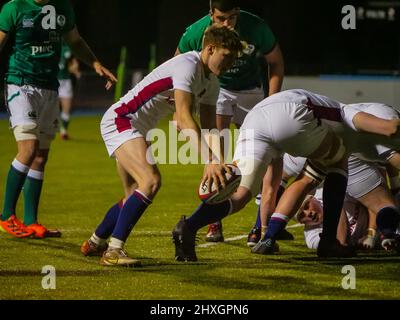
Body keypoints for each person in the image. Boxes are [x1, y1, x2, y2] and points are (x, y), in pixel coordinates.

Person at [80, 25, 244, 267]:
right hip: (122, 119)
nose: (229, 64)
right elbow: (184, 117)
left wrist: (218, 162)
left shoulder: (212, 83)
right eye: (227, 57)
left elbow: (210, 128)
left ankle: (95, 241)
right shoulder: (187, 65)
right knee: (151, 181)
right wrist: (209, 161)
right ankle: (114, 251)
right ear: (210, 48)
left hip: (138, 128)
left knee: (133, 194)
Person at [172, 89, 400, 261]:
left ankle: (189, 226)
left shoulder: (334, 112)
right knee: (337, 159)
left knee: (241, 194)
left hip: (256, 119)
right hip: (293, 115)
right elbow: (388, 128)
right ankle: (329, 242)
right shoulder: (346, 110)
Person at [0, 0, 116, 238]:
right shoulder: (15, 8)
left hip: (50, 88)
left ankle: (31, 220)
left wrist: (95, 64)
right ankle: (6, 216)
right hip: (21, 84)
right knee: (29, 149)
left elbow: (75, 41)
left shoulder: (63, 7)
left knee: (41, 157)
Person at [176, 0, 285, 242]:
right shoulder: (196, 32)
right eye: (221, 19)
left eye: (232, 18)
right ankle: (213, 222)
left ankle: (262, 226)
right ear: (210, 14)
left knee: (272, 154)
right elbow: (177, 65)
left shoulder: (256, 27)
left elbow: (276, 62)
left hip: (251, 91)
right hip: (218, 89)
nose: (228, 24)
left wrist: (272, 102)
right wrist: (185, 103)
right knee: (217, 158)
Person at [58, 41, 81, 140]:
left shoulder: (67, 48)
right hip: (53, 81)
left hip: (65, 82)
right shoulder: (49, 46)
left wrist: (75, 70)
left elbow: (73, 64)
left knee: (66, 108)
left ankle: (64, 131)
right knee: (50, 109)